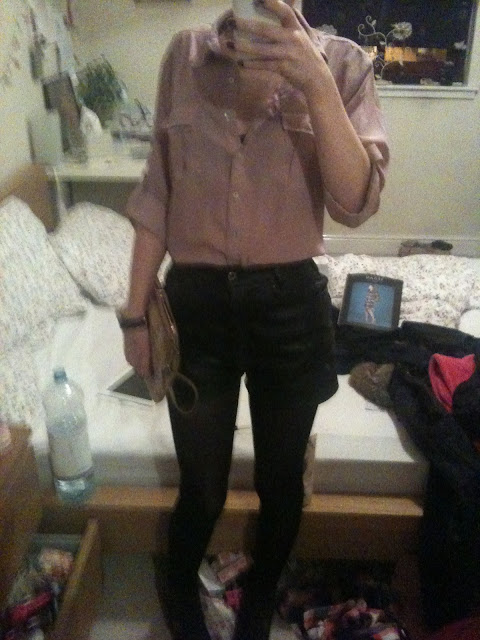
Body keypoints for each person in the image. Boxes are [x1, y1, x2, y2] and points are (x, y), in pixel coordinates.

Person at [118, 0, 389, 638]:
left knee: (281, 482)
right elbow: (158, 190)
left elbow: (355, 201)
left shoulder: (343, 64)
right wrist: (133, 316)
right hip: (197, 308)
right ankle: (178, 582)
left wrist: (315, 81)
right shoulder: (184, 56)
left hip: (289, 307)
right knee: (202, 488)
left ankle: (261, 595)